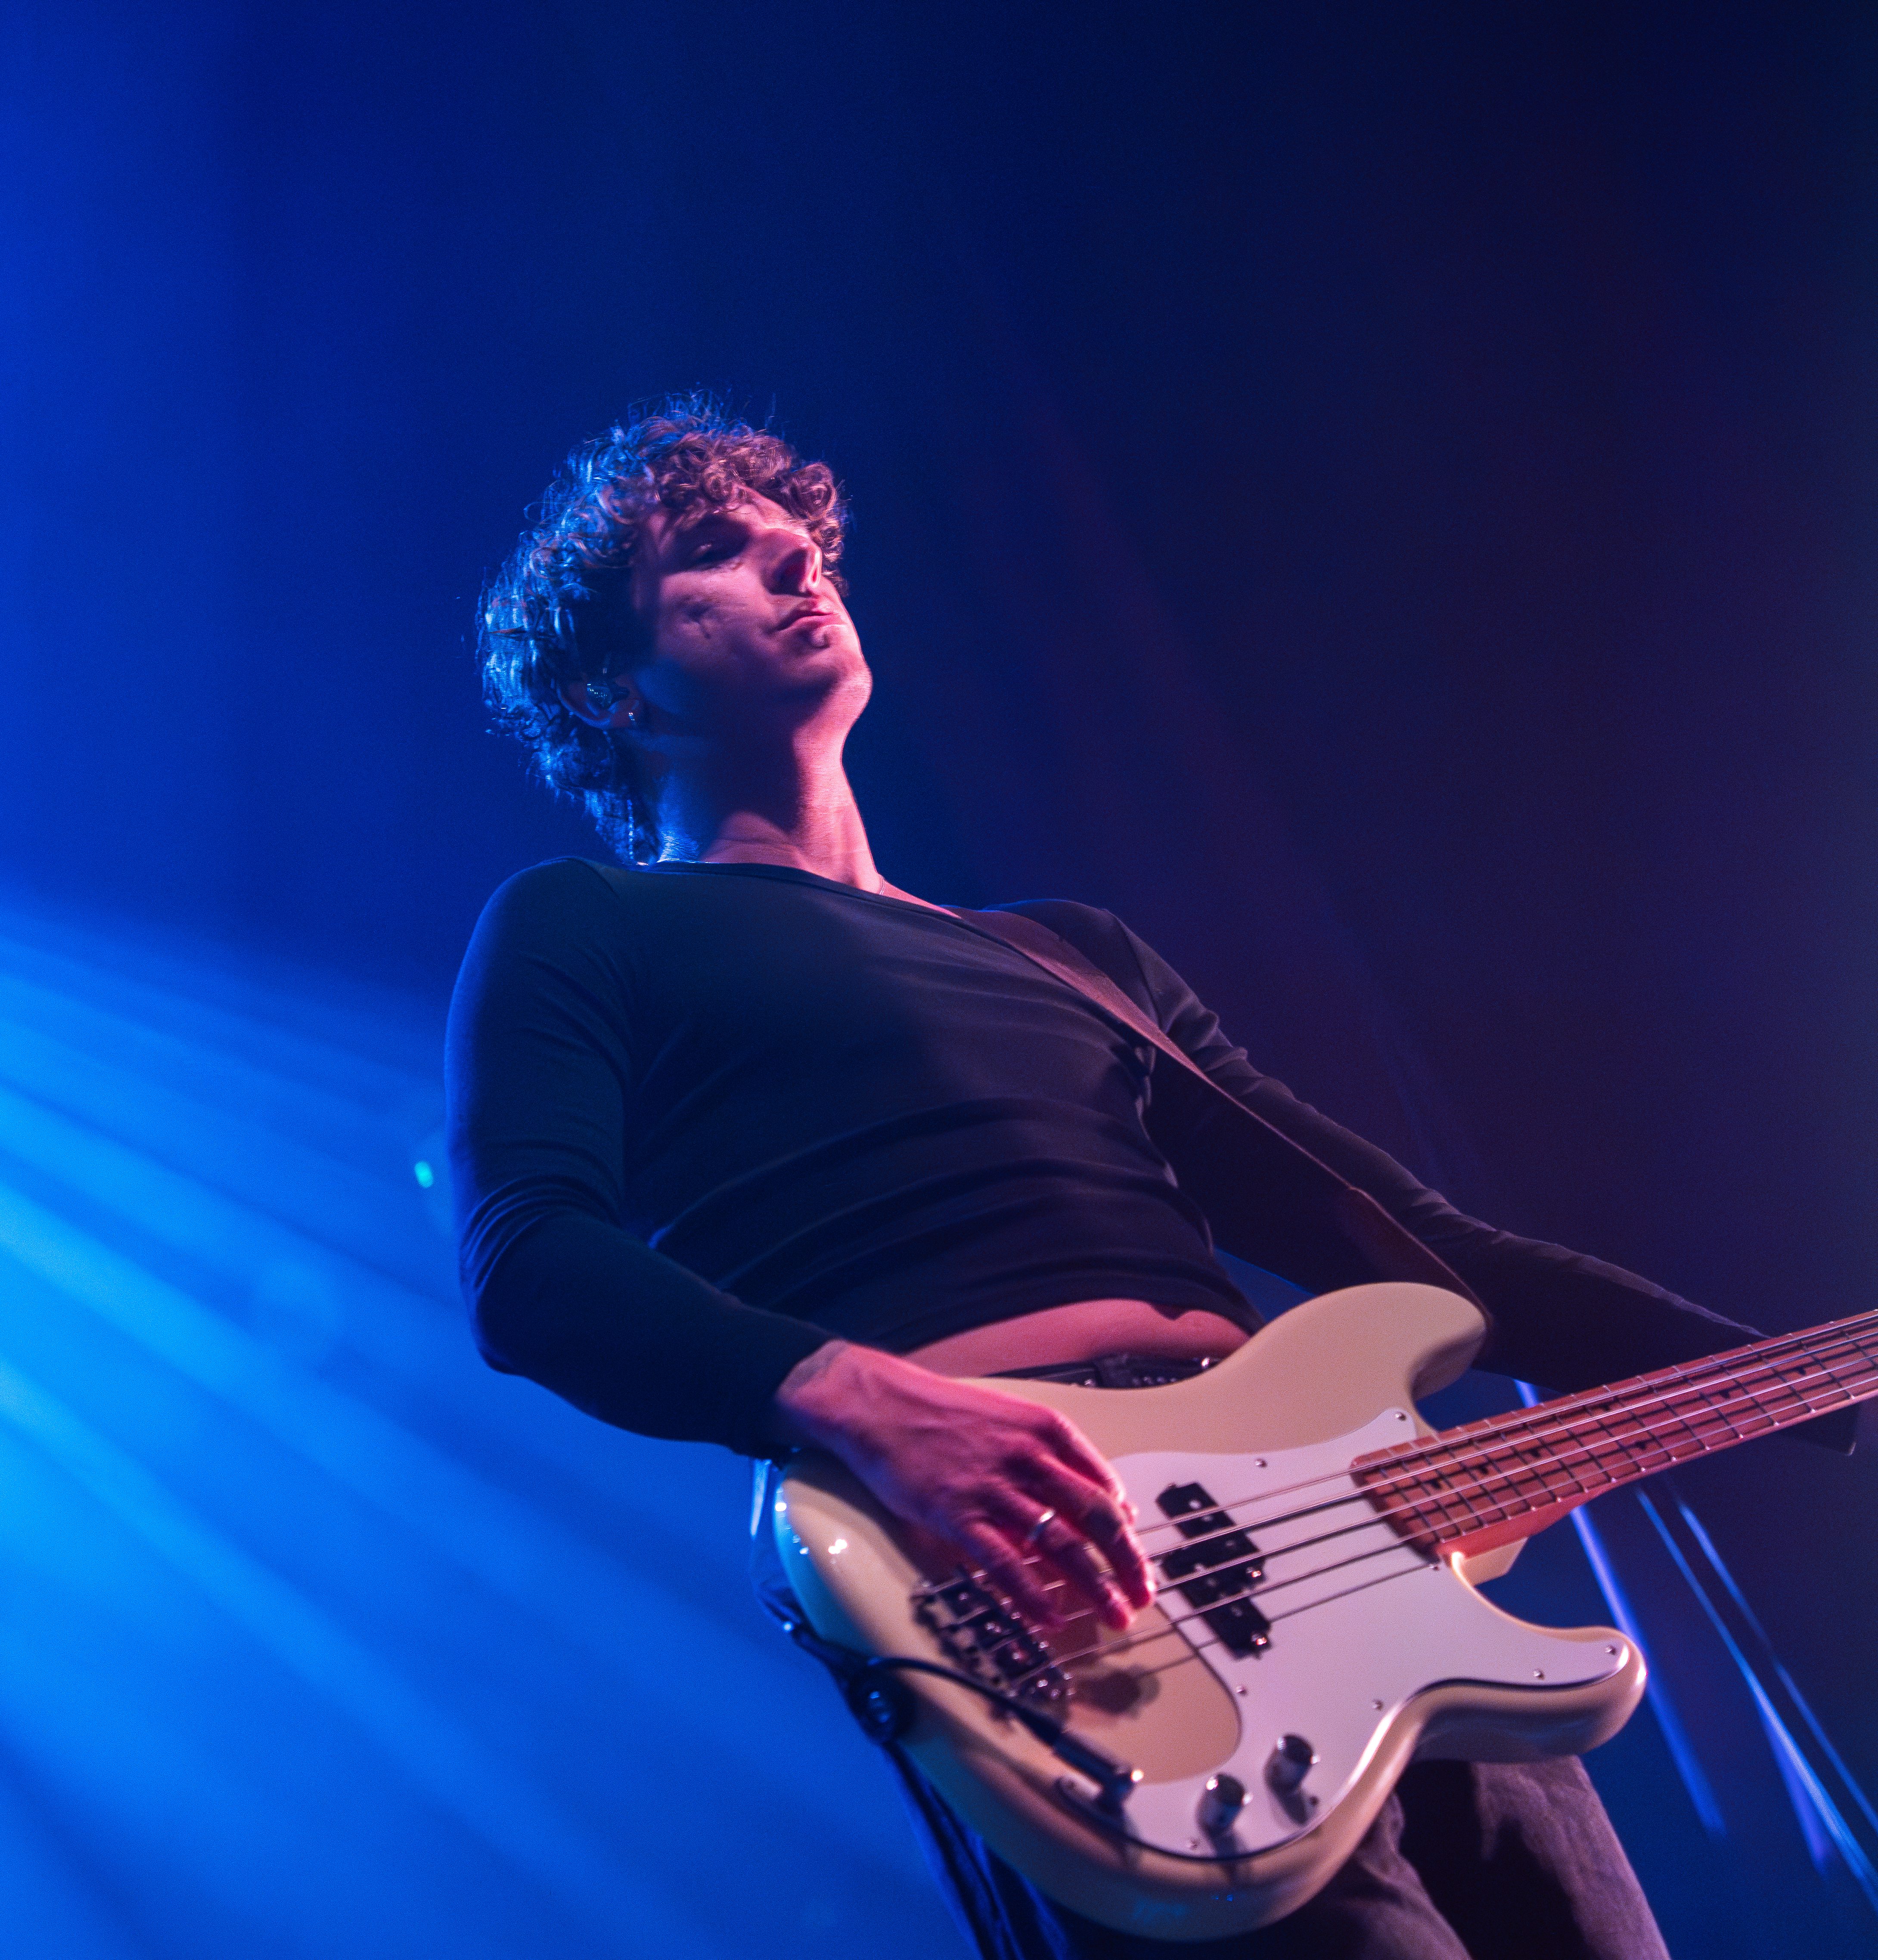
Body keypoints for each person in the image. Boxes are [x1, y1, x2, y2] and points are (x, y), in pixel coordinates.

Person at [447, 399, 1835, 1959]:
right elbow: (532, 1263)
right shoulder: (589, 926)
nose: (791, 554)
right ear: (615, 690)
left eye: (803, 537)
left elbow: (1425, 1257)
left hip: (1351, 1534)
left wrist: (1807, 1375)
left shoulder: (1072, 957)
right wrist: (850, 1398)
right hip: (1044, 1575)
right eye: (712, 548)